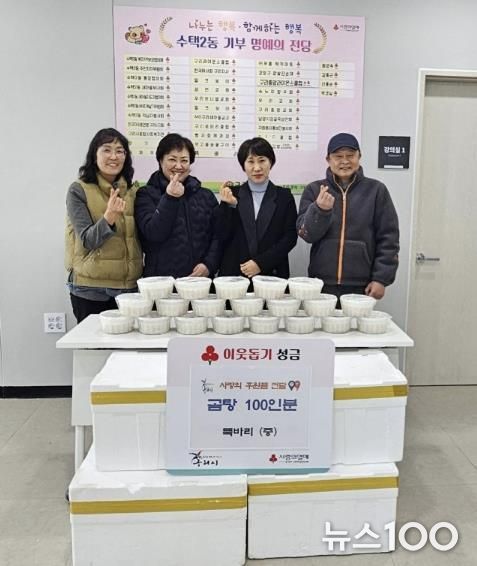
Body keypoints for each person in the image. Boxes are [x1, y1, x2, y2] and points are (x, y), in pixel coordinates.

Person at [297, 133, 399, 301]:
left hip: (362, 285)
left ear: (359, 157)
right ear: (328, 159)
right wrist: (320, 210)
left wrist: (381, 278)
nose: (344, 161)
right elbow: (306, 235)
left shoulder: (376, 190)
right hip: (320, 283)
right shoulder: (315, 189)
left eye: (350, 155)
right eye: (338, 156)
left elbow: (389, 238)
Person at [65, 128, 142, 323]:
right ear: (94, 155)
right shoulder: (78, 190)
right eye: (107, 150)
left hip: (129, 289)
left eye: (120, 151)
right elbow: (87, 240)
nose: (114, 156)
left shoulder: (132, 191)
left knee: (129, 342)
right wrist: (109, 217)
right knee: (93, 343)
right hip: (91, 289)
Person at [134, 133, 221, 278]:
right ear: (160, 161)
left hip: (200, 282)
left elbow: (218, 235)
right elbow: (153, 234)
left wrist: (209, 265)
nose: (179, 166)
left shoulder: (206, 196)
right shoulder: (146, 194)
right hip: (161, 282)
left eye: (184, 160)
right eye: (172, 160)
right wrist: (170, 198)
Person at [217, 137, 297, 280]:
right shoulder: (232, 194)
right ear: (243, 165)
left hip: (271, 275)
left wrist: (260, 263)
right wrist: (229, 206)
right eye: (251, 161)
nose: (257, 168)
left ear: (270, 162)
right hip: (235, 275)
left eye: (262, 160)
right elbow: (221, 235)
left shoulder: (284, 197)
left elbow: (290, 238)